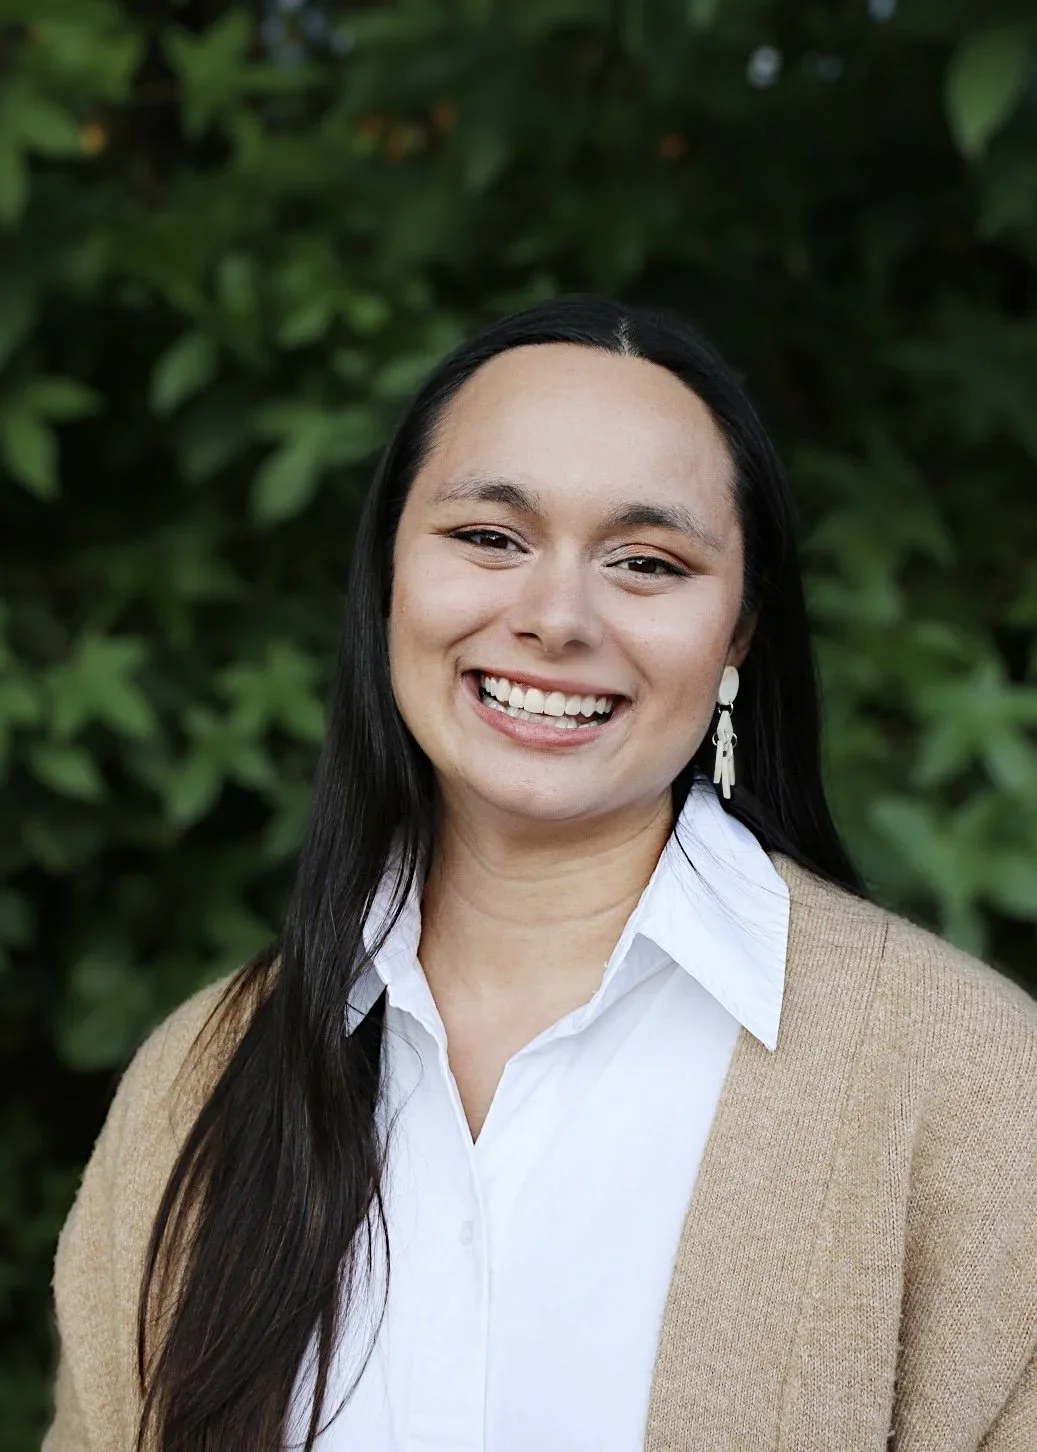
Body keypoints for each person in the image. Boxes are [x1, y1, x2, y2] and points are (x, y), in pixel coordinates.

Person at [44, 298, 1036, 1452]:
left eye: (645, 562)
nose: (555, 618)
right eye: (488, 538)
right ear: (386, 583)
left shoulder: (965, 1087)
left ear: (736, 636)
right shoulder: (199, 1080)